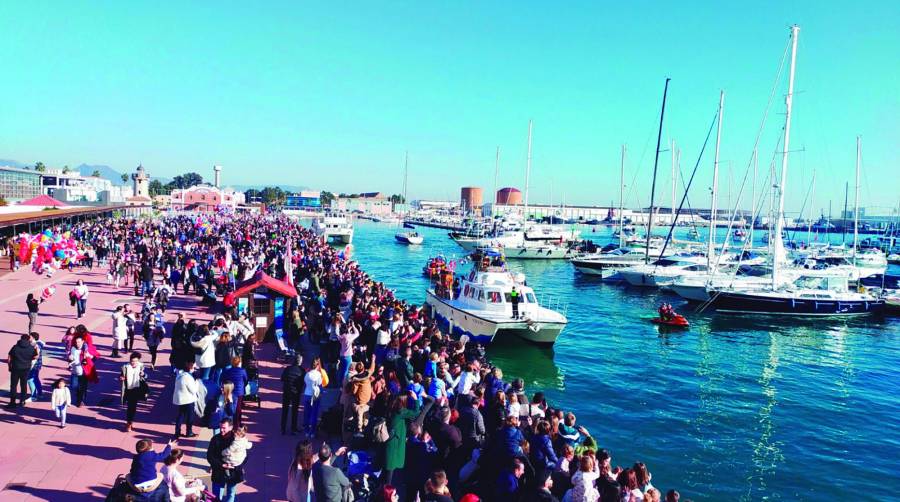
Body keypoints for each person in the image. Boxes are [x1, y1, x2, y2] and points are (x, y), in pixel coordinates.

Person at [207, 418, 245, 502]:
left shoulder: (237, 438)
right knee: (216, 497)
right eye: (220, 427)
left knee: (231, 494)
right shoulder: (215, 439)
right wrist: (221, 465)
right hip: (218, 472)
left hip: (233, 472)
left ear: (231, 427)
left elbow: (245, 456)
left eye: (224, 428)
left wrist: (237, 465)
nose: (221, 430)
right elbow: (210, 456)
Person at [7, 334, 37, 408]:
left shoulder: (15, 347)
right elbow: (35, 357)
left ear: (21, 338)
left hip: (15, 368)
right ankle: (22, 401)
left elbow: (9, 357)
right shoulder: (31, 348)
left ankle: (12, 402)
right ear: (28, 339)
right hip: (26, 369)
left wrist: (9, 366)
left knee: (13, 386)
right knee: (23, 386)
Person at [120, 352, 146, 432]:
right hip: (129, 390)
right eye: (132, 361)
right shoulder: (125, 367)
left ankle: (130, 422)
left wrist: (144, 375)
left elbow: (146, 376)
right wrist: (121, 378)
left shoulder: (141, 367)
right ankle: (129, 423)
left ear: (138, 361)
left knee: (133, 407)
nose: (133, 363)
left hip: (137, 390)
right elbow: (121, 375)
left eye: (135, 361)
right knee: (130, 407)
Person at [173, 361, 200, 438]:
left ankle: (177, 432)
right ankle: (189, 432)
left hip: (181, 399)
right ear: (190, 368)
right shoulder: (188, 377)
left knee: (180, 415)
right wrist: (196, 381)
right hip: (188, 400)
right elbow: (194, 390)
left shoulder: (180, 375)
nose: (195, 370)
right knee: (190, 416)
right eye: (194, 368)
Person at [280, 354, 305, 435]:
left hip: (286, 391)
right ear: (300, 362)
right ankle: (293, 428)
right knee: (294, 411)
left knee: (285, 410)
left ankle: (283, 428)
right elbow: (303, 382)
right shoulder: (302, 371)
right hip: (296, 393)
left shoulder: (288, 368)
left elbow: (282, 378)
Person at [220, 356, 249, 427]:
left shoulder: (228, 371)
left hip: (230, 391)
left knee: (229, 407)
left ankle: (230, 422)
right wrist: (243, 386)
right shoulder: (243, 371)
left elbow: (222, 379)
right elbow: (246, 380)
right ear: (239, 363)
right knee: (238, 409)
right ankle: (237, 424)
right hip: (239, 392)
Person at [68, 335, 93, 407]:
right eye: (76, 342)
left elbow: (93, 358)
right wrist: (70, 359)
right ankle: (80, 398)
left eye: (79, 342)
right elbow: (70, 357)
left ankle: (80, 401)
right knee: (74, 386)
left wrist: (89, 357)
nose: (77, 343)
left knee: (82, 387)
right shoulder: (73, 348)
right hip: (74, 372)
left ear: (82, 342)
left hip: (83, 373)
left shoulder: (85, 350)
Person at [302, 357, 324, 436]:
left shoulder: (307, 374)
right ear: (317, 365)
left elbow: (305, 382)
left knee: (307, 413)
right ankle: (313, 431)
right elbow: (320, 385)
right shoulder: (318, 375)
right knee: (314, 414)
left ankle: (306, 430)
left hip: (307, 394)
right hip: (315, 396)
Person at [26, 332, 44, 402]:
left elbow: (37, 356)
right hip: (38, 364)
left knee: (30, 379)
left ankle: (33, 396)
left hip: (34, 364)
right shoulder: (38, 343)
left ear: (33, 337)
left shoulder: (35, 345)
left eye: (30, 336)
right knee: (36, 379)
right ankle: (40, 393)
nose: (28, 338)